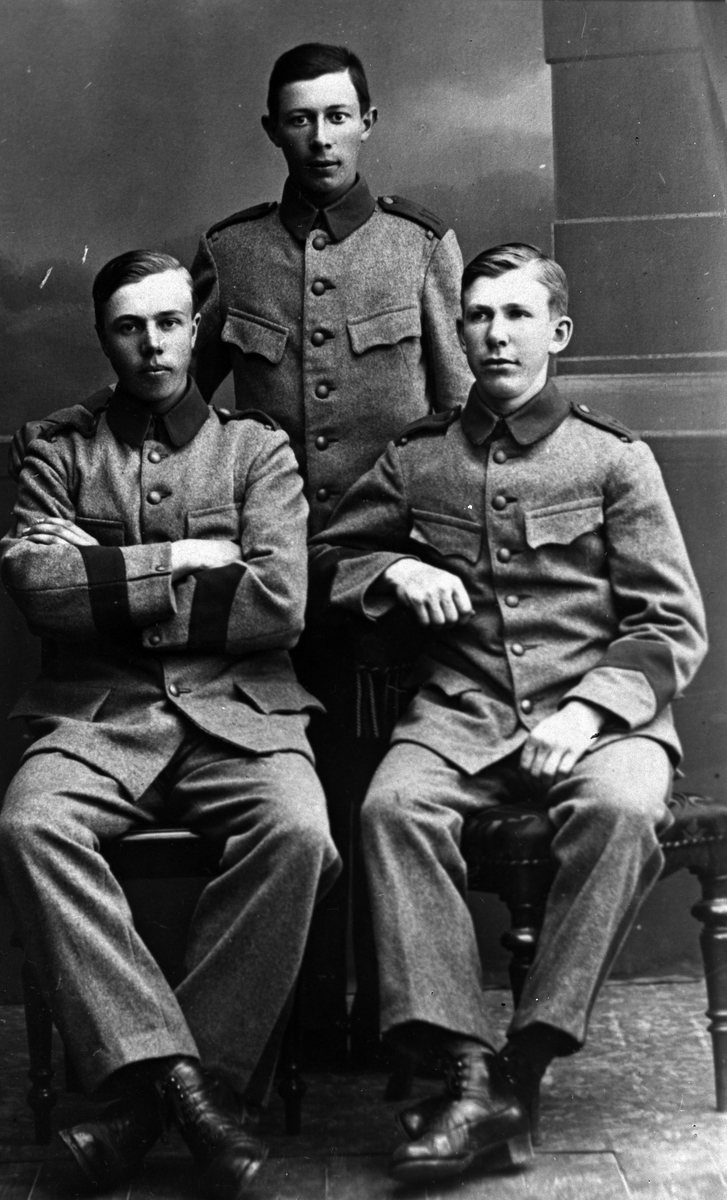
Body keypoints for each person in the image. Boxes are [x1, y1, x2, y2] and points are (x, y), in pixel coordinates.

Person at [8, 42, 472, 1064]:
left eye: (337, 116)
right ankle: (277, 1047)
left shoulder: (418, 247)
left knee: (366, 807)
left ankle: (383, 1035)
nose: (320, 139)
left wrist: (431, 553)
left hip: (378, 576)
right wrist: (67, 445)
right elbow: (170, 382)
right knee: (291, 803)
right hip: (264, 566)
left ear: (367, 122)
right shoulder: (237, 251)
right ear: (273, 131)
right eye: (299, 119)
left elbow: (456, 415)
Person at [308, 243, 707, 1183]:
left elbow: (670, 623)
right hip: (462, 710)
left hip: (600, 715)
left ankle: (520, 1063)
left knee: (619, 810)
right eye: (479, 315)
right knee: (390, 810)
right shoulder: (418, 458)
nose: (495, 333)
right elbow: (327, 559)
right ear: (458, 330)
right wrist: (393, 570)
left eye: (517, 315)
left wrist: (590, 712)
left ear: (556, 333)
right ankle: (464, 1062)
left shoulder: (613, 458)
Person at [0, 250, 340, 1198]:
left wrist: (105, 572)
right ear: (102, 337)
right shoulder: (57, 451)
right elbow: (39, 591)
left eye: (167, 323)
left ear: (195, 330)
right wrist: (189, 555)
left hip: (241, 711)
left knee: (299, 833)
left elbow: (277, 605)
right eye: (128, 327)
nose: (151, 345)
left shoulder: (256, 451)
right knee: (30, 824)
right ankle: (190, 1092)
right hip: (97, 715)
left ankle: (154, 1099)